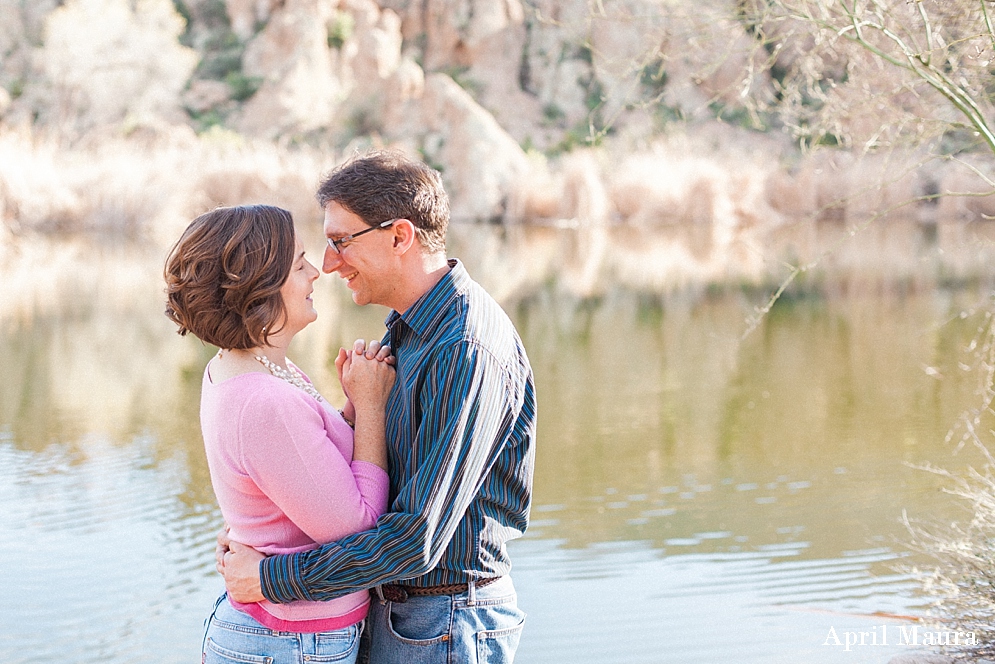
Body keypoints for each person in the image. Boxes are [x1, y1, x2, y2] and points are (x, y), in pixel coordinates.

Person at [219, 151, 537, 663]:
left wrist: (270, 578)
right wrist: (264, 528)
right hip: (405, 614)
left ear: (400, 237)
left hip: (446, 622)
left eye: (341, 241)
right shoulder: (410, 326)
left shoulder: (466, 348)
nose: (328, 263)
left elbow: (417, 536)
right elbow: (365, 483)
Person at [163, 204, 396, 664]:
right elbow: (359, 528)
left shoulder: (250, 368)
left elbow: (299, 474)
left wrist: (347, 411)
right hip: (287, 644)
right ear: (261, 291)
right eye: (299, 264)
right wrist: (372, 409)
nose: (316, 273)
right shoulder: (265, 400)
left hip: (283, 637)